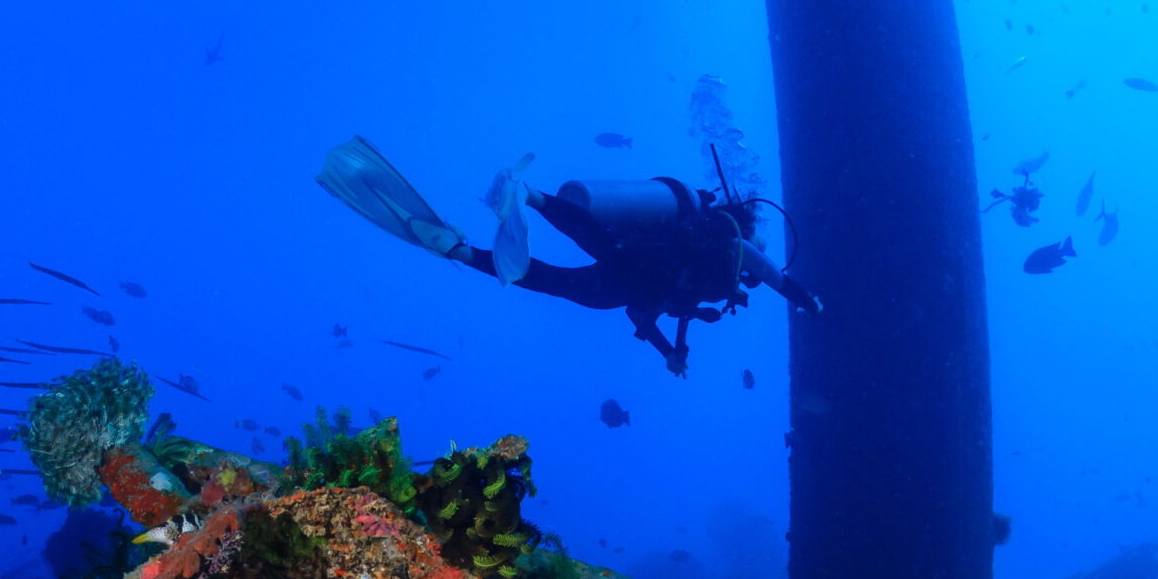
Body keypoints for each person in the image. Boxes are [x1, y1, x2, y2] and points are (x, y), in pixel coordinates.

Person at [319, 137, 819, 376]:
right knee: (552, 280)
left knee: (589, 240)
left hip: (635, 266)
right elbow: (776, 279)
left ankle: (525, 197)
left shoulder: (719, 253)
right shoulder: (738, 249)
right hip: (628, 284)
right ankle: (468, 245)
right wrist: (808, 300)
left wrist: (671, 351)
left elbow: (648, 316)